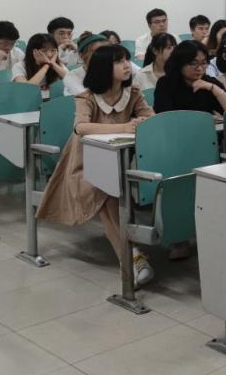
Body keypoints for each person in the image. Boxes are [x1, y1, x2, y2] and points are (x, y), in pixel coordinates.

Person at [37, 45, 156, 287]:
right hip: (84, 163)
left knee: (113, 193)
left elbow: (151, 117)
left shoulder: (132, 93)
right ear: (103, 68)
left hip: (120, 159)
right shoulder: (88, 97)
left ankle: (131, 258)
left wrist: (140, 121)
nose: (126, 65)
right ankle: (131, 259)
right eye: (119, 61)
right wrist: (124, 127)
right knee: (106, 195)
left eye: (126, 60)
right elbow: (81, 127)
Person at [153, 40, 226, 115]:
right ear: (180, 63)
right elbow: (165, 117)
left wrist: (214, 88)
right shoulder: (166, 83)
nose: (200, 68)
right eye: (193, 63)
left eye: (203, 63)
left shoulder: (209, 82)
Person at [13, 33, 68, 99]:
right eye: (44, 51)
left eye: (53, 50)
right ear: (33, 51)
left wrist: (53, 65)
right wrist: (46, 66)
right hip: (32, 102)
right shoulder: (19, 66)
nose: (49, 55)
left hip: (53, 100)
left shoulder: (57, 64)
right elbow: (26, 90)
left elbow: (72, 80)